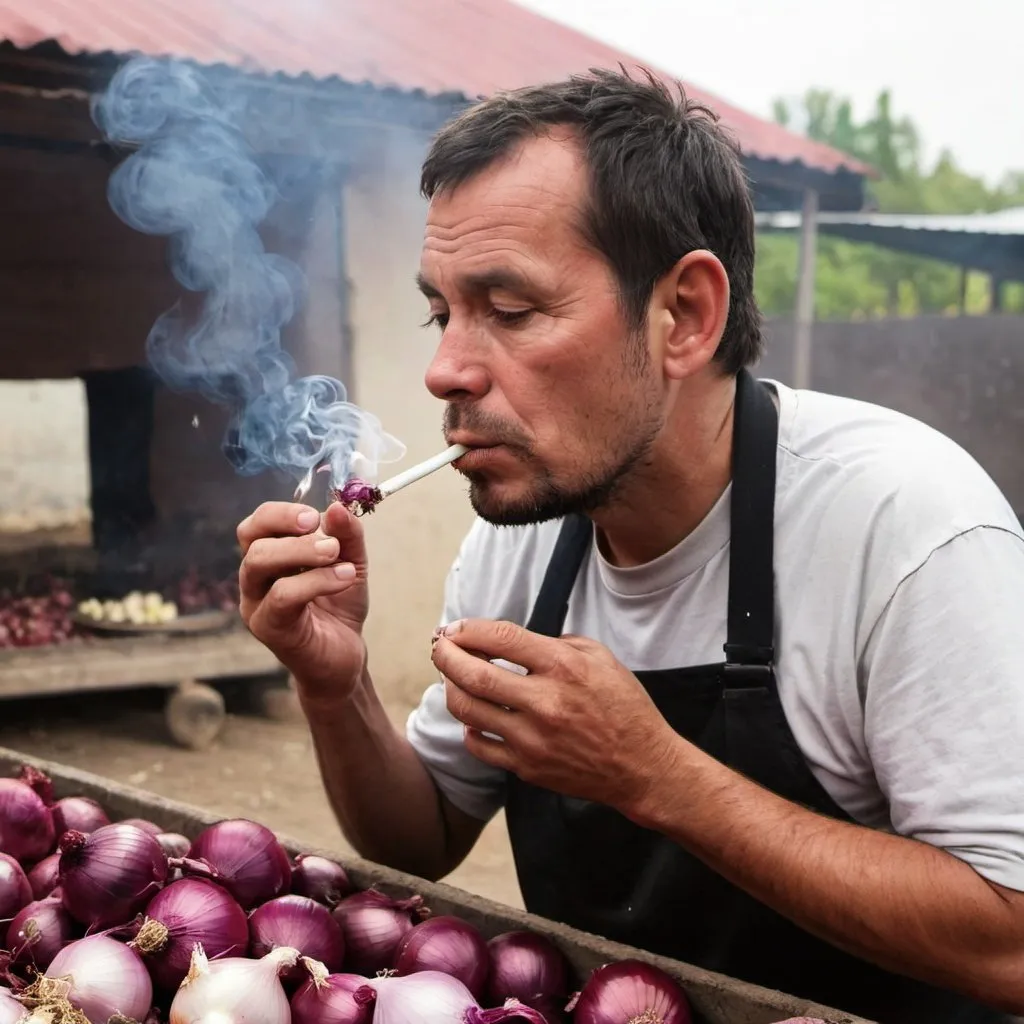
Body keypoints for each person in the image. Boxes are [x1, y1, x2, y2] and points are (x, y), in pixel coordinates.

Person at [237, 69, 1024, 1022]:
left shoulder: (905, 526)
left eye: (512, 310)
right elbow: (425, 836)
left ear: (684, 315)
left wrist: (661, 778)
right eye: (442, 313)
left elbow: (1011, 941)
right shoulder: (518, 545)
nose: (446, 369)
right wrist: (334, 685)